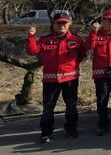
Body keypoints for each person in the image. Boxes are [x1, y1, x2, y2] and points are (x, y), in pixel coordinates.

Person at [26, 12, 86, 142]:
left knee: (71, 106)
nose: (61, 26)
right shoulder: (45, 40)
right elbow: (32, 51)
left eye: (64, 23)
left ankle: (71, 129)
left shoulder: (76, 39)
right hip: (50, 80)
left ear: (69, 24)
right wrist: (31, 36)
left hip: (70, 79)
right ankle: (46, 132)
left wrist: (72, 67)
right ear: (53, 24)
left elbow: (81, 54)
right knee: (48, 107)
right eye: (58, 23)